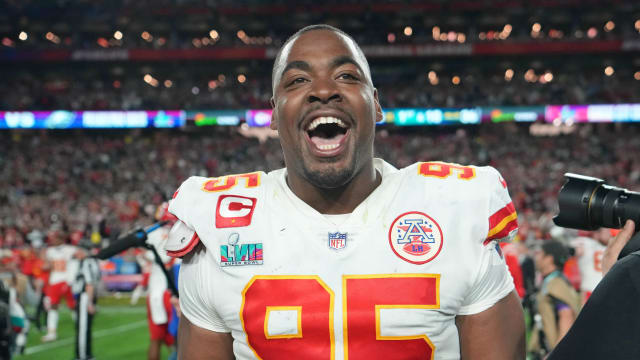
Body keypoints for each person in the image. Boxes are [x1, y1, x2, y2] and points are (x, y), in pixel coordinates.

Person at [167, 24, 525, 360]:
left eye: (346, 76)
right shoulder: (223, 225)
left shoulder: (454, 209)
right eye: (298, 80)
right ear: (274, 116)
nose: (323, 90)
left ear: (376, 104)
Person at [548, 220, 639, 359]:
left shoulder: (595, 245)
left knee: (591, 334)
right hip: (599, 289)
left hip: (605, 288)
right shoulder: (591, 244)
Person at [528, 240, 581, 357]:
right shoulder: (551, 281)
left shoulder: (556, 284)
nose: (537, 257)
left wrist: (556, 354)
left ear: (549, 259)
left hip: (552, 353)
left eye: (540, 254)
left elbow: (566, 317)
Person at [41, 229, 80, 342]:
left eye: (55, 238)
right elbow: (47, 265)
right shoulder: (50, 251)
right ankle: (52, 332)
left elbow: (77, 260)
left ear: (61, 239)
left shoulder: (70, 249)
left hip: (66, 280)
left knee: (72, 305)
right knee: (53, 306)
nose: (52, 240)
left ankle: (80, 325)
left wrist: (71, 279)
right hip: (55, 281)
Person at [71, 243, 100, 360]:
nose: (76, 253)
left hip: (85, 297)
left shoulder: (86, 263)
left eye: (78, 250)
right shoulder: (93, 261)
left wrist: (89, 303)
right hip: (87, 296)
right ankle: (87, 354)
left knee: (82, 328)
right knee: (85, 327)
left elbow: (89, 284)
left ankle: (82, 356)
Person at [570, 229, 608, 302]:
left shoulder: (612, 245)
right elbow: (575, 251)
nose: (609, 232)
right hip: (590, 289)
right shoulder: (586, 242)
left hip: (606, 290)